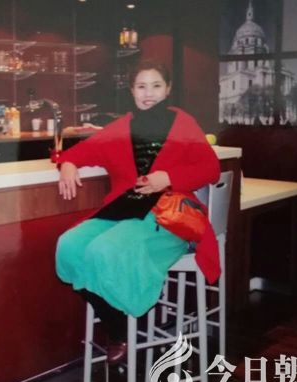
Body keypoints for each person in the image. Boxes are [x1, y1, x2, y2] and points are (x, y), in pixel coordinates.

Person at [54, 59, 221, 363]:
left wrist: (168, 178)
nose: (149, 93)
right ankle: (116, 322)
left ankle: (120, 330)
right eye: (141, 86)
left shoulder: (183, 123)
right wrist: (67, 163)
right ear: (132, 91)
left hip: (167, 216)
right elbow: (80, 151)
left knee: (105, 250)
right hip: (122, 210)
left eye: (156, 86)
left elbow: (210, 168)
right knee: (69, 246)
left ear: (167, 89)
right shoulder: (120, 128)